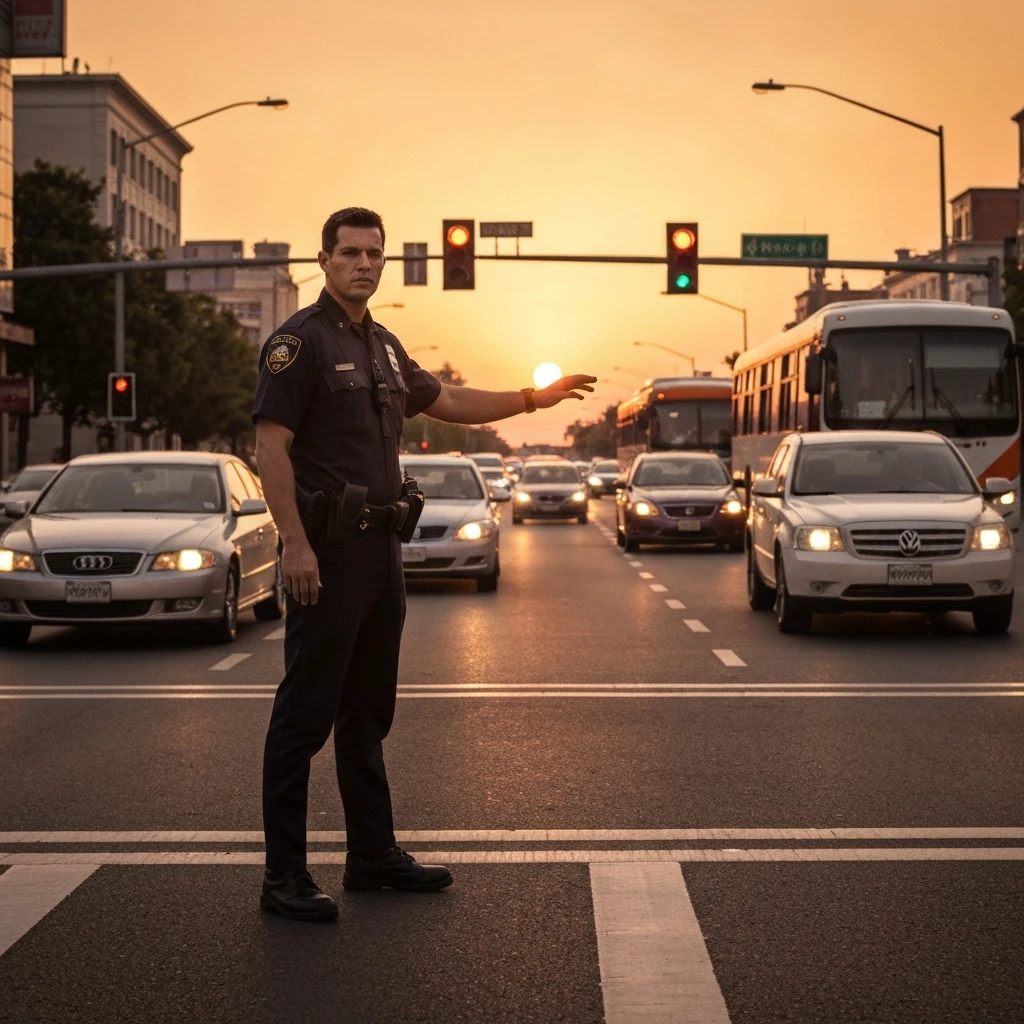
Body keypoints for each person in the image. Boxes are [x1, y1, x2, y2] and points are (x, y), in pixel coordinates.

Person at [254, 207, 596, 920]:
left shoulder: (382, 347)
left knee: (368, 711)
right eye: (350, 253)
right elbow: (271, 449)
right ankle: (283, 876)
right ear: (324, 260)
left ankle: (372, 855)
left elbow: (455, 402)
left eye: (374, 253)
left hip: (383, 551)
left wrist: (538, 395)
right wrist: (296, 543)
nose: (364, 264)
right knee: (304, 716)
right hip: (330, 552)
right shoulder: (298, 344)